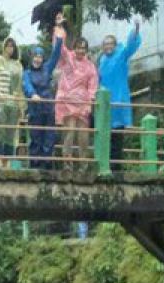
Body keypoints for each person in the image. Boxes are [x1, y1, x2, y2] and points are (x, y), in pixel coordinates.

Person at [98, 19, 142, 170]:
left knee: (117, 137)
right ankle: (105, 167)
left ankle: (116, 169)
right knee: (104, 137)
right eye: (105, 44)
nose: (108, 46)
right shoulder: (102, 60)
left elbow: (131, 46)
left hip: (119, 100)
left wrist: (135, 30)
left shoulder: (121, 55)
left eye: (110, 43)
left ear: (115, 45)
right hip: (105, 103)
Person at [54, 20, 98, 170]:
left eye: (83, 49)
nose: (80, 51)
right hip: (67, 102)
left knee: (84, 136)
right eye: (78, 48)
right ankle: (67, 163)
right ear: (75, 48)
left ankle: (84, 165)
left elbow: (93, 85)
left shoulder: (90, 66)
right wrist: (59, 28)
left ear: (86, 50)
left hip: (83, 104)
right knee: (69, 134)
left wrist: (90, 101)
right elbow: (60, 48)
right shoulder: (68, 57)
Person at [0, 27, 25, 164]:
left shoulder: (18, 65)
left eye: (12, 46)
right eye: (7, 45)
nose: (10, 48)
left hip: (13, 103)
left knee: (11, 134)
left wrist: (21, 106)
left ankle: (6, 162)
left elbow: (19, 86)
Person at [22, 33, 63, 169]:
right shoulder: (27, 73)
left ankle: (47, 164)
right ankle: (35, 164)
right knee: (36, 136)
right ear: (31, 57)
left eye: (40, 56)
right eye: (36, 56)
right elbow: (27, 85)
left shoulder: (47, 68)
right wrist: (33, 94)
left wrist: (60, 37)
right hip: (35, 109)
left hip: (48, 108)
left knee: (49, 136)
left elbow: (56, 55)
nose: (38, 59)